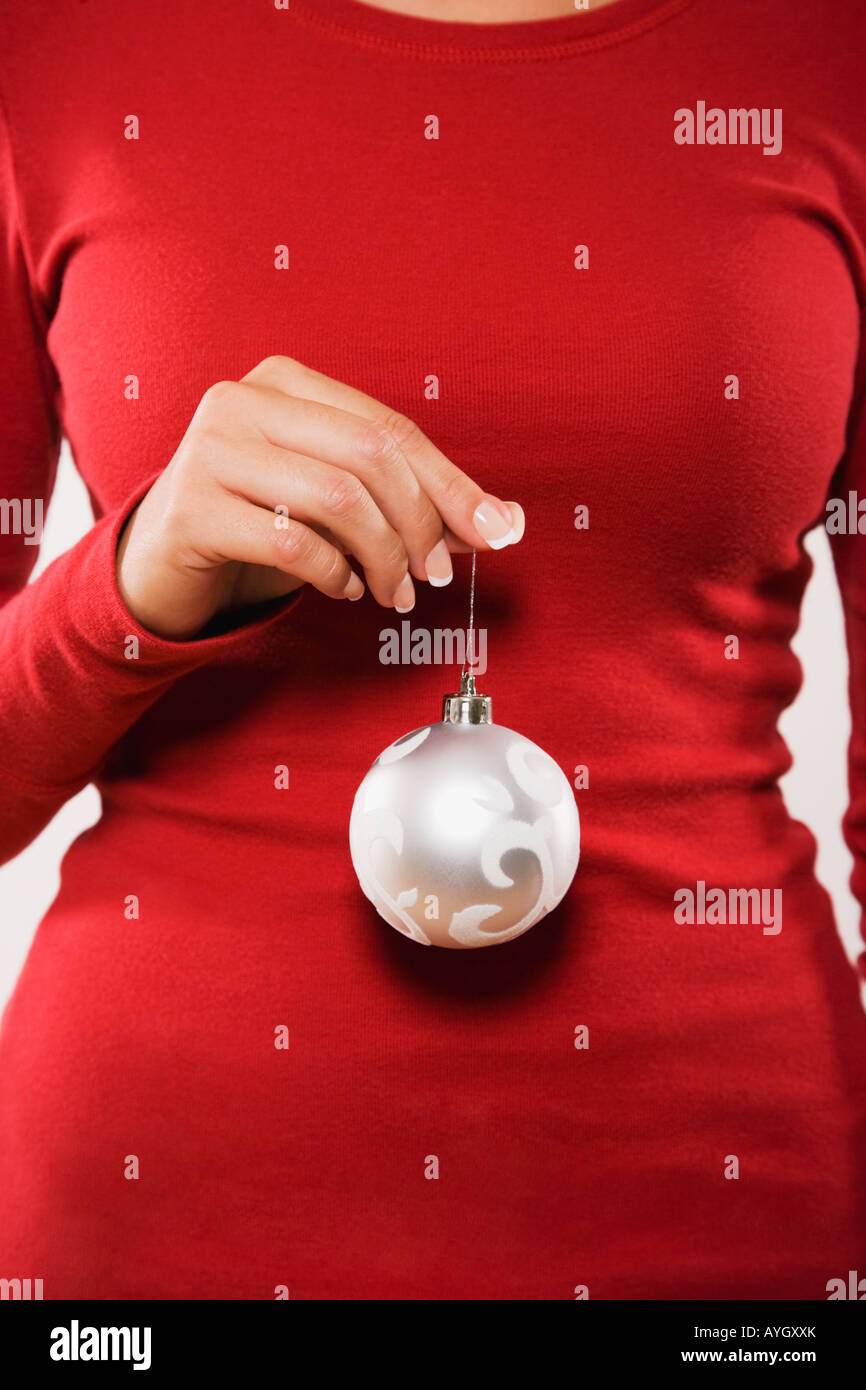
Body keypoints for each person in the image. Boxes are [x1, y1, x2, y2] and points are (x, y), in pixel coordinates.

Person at [1, 0, 865, 1300]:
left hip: (738, 1218)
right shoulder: (51, 47)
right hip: (149, 1230)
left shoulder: (829, 49)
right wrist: (132, 581)